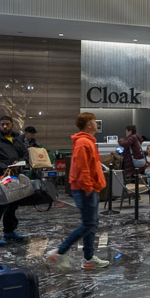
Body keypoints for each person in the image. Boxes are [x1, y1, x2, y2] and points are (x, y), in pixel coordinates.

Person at [51, 114, 108, 270]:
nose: (96, 124)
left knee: (92, 224)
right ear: (89, 125)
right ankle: (60, 252)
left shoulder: (87, 141)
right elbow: (81, 169)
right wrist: (89, 188)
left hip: (89, 189)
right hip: (85, 190)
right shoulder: (83, 143)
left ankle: (89, 258)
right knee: (88, 224)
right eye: (95, 122)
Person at [0, 116, 31, 245]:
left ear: (12, 125)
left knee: (12, 207)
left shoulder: (17, 140)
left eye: (7, 124)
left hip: (14, 179)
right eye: (2, 124)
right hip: (0, 179)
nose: (5, 126)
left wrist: (20, 162)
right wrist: (4, 165)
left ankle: (9, 231)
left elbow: (25, 154)